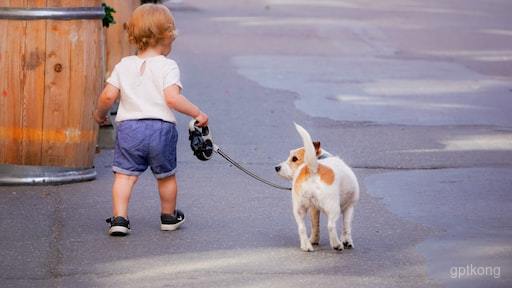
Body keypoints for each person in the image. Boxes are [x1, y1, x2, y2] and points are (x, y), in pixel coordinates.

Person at [93, 3, 208, 236]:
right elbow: (172, 99)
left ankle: (119, 219)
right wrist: (197, 113)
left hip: (129, 129)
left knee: (124, 176)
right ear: (168, 38)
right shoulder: (168, 66)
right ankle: (168, 216)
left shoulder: (124, 65)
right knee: (165, 176)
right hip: (160, 129)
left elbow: (108, 95)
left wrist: (100, 115)